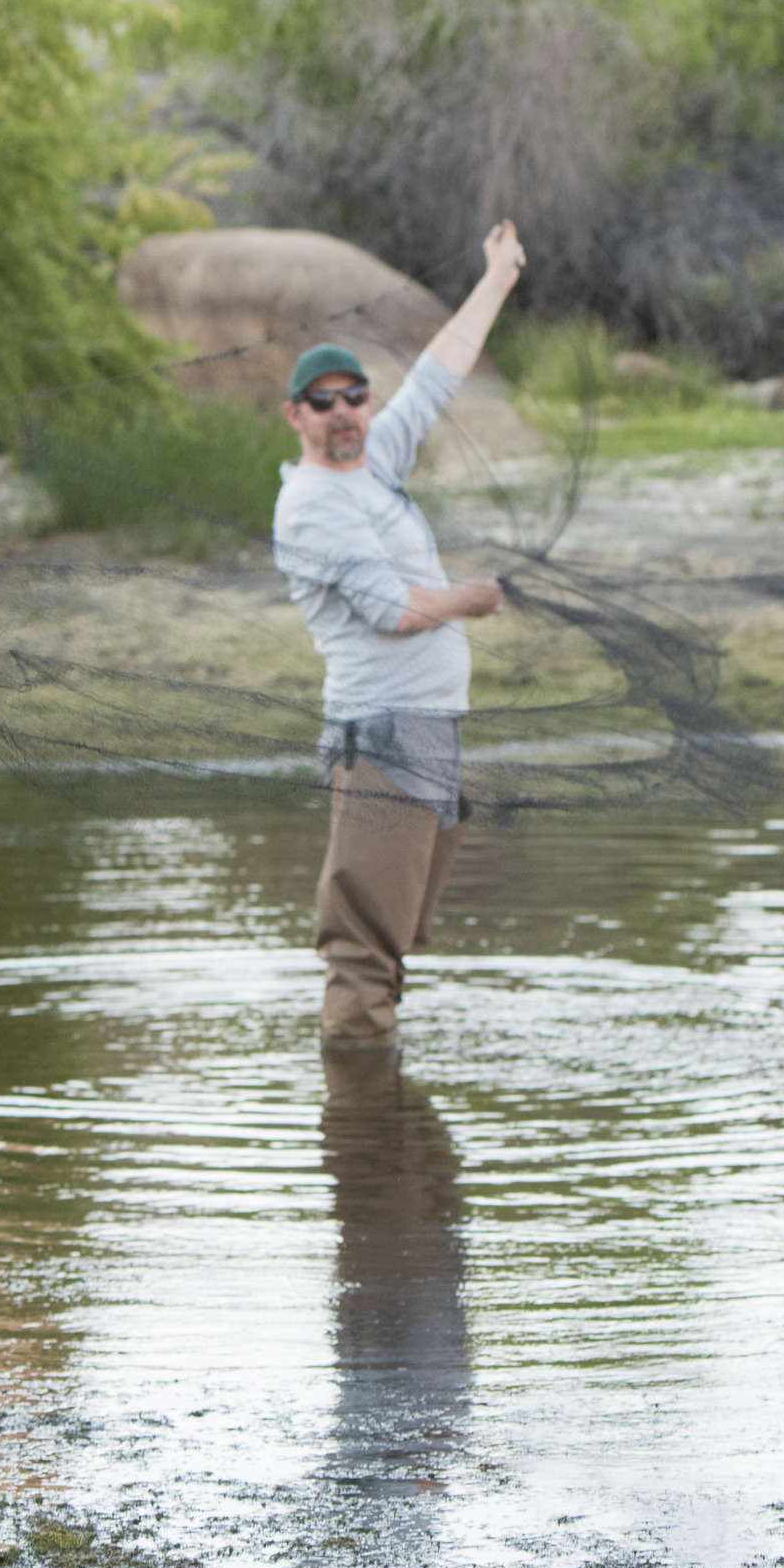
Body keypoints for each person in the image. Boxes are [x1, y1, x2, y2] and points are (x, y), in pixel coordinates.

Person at [271, 220, 525, 1050]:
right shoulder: (310, 505)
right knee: (364, 953)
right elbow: (395, 611)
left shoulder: (375, 461)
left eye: (355, 397)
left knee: (397, 937)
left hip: (427, 726)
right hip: (378, 735)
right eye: (325, 402)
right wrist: (470, 599)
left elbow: (436, 375)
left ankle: (390, 1141)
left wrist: (495, 279)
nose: (345, 413)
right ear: (295, 416)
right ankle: (364, 1149)